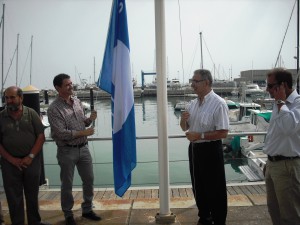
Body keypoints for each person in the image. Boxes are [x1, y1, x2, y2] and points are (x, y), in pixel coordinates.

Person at [47, 74, 100, 225]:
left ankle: (87, 209)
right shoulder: (53, 109)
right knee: (67, 184)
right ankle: (68, 214)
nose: (71, 86)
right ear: (58, 88)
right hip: (66, 151)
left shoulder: (76, 101)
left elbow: (82, 123)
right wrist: (84, 133)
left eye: (71, 83)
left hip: (83, 149)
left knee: (89, 179)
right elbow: (61, 133)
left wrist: (90, 119)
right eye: (67, 85)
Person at [180, 69, 229, 225]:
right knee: (198, 186)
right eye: (192, 81)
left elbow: (223, 132)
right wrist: (183, 120)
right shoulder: (192, 104)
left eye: (195, 81)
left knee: (215, 188)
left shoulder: (219, 103)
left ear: (206, 82)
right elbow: (184, 127)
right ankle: (204, 218)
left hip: (211, 150)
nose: (192, 84)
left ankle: (219, 220)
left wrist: (200, 136)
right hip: (194, 150)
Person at [0, 86, 49, 225]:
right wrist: (12, 160)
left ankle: (35, 222)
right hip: (9, 163)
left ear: (21, 98)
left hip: (31, 161)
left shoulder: (31, 113)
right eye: (6, 98)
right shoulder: (1, 117)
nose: (9, 100)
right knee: (13, 197)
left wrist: (30, 156)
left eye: (12, 97)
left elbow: (40, 136)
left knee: (32, 195)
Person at [263, 68, 300, 225]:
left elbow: (288, 128)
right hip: (273, 165)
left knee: (290, 215)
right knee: (274, 210)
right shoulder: (279, 103)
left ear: (283, 85)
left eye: (271, 86)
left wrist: (280, 101)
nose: (267, 90)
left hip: (288, 166)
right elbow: (274, 133)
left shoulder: (296, 104)